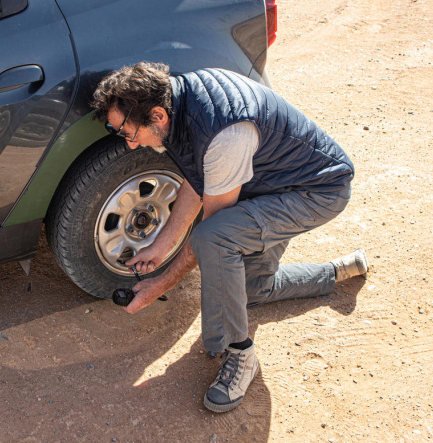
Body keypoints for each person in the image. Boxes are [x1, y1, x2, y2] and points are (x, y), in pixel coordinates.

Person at [91, 62, 368, 413]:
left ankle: (239, 354)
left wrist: (162, 282)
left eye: (129, 134)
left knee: (213, 239)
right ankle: (336, 272)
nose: (131, 146)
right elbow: (201, 179)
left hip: (313, 192)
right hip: (269, 183)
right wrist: (160, 245)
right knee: (247, 290)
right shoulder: (183, 99)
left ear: (157, 115)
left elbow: (214, 231)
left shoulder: (224, 134)